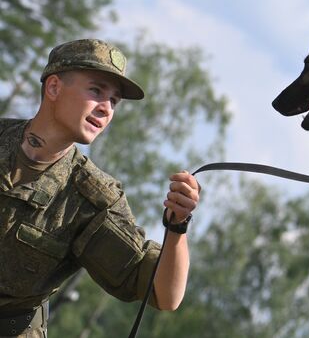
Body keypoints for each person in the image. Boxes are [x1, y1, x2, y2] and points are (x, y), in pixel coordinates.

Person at [0, 39, 200, 337]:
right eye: (96, 90)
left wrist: (178, 226)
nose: (106, 108)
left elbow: (163, 293)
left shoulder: (91, 198)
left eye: (115, 101)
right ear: (54, 87)